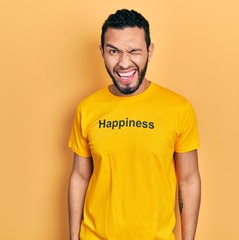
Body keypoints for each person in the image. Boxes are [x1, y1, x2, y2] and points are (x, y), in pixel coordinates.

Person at [68, 9, 201, 240]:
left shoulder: (178, 108)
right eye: (113, 51)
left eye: (134, 51)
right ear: (102, 52)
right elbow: (79, 176)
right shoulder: (86, 109)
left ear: (149, 51)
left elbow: (188, 180)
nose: (124, 62)